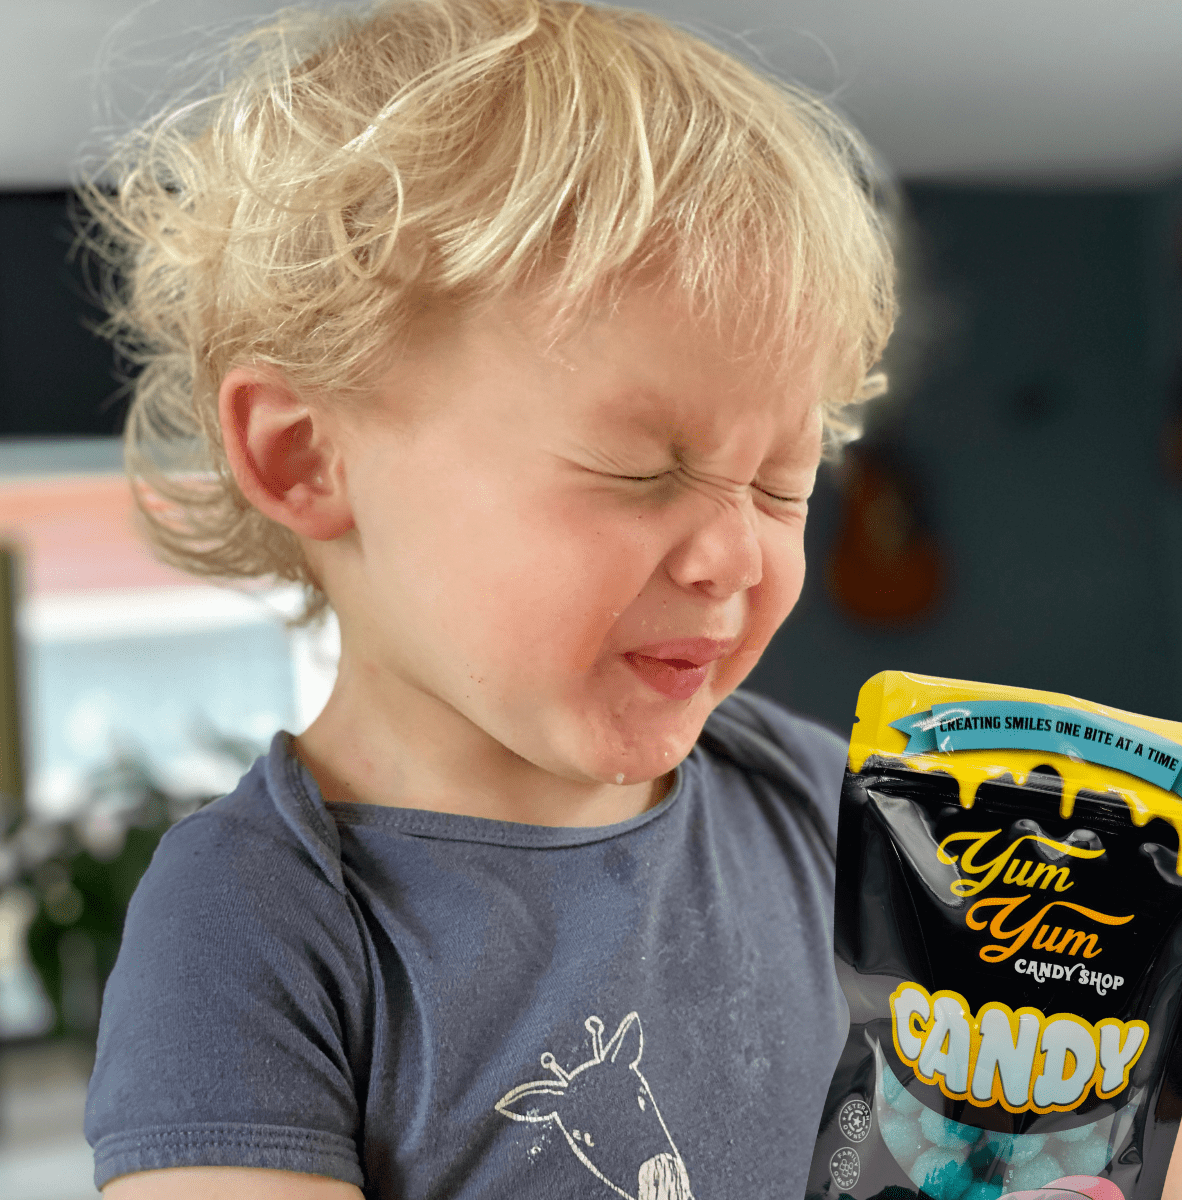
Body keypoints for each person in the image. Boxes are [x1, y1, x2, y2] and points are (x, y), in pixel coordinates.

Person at [79, 1, 897, 1196]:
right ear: (307, 457)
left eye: (783, 483)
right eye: (640, 469)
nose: (733, 555)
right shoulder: (254, 927)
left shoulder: (820, 802)